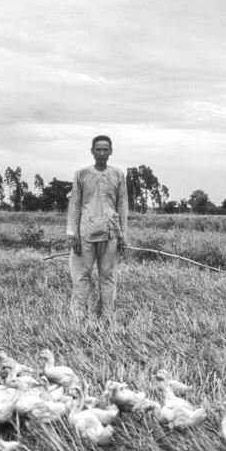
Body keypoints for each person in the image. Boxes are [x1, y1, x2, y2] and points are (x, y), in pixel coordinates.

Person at [66, 135, 128, 319]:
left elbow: (122, 205)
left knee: (108, 276)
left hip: (110, 233)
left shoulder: (118, 175)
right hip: (85, 233)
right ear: (92, 151)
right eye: (98, 149)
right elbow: (75, 204)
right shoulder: (81, 174)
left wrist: (123, 234)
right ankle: (78, 315)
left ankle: (107, 315)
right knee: (81, 275)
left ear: (111, 152)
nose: (101, 153)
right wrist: (72, 233)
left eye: (105, 149)